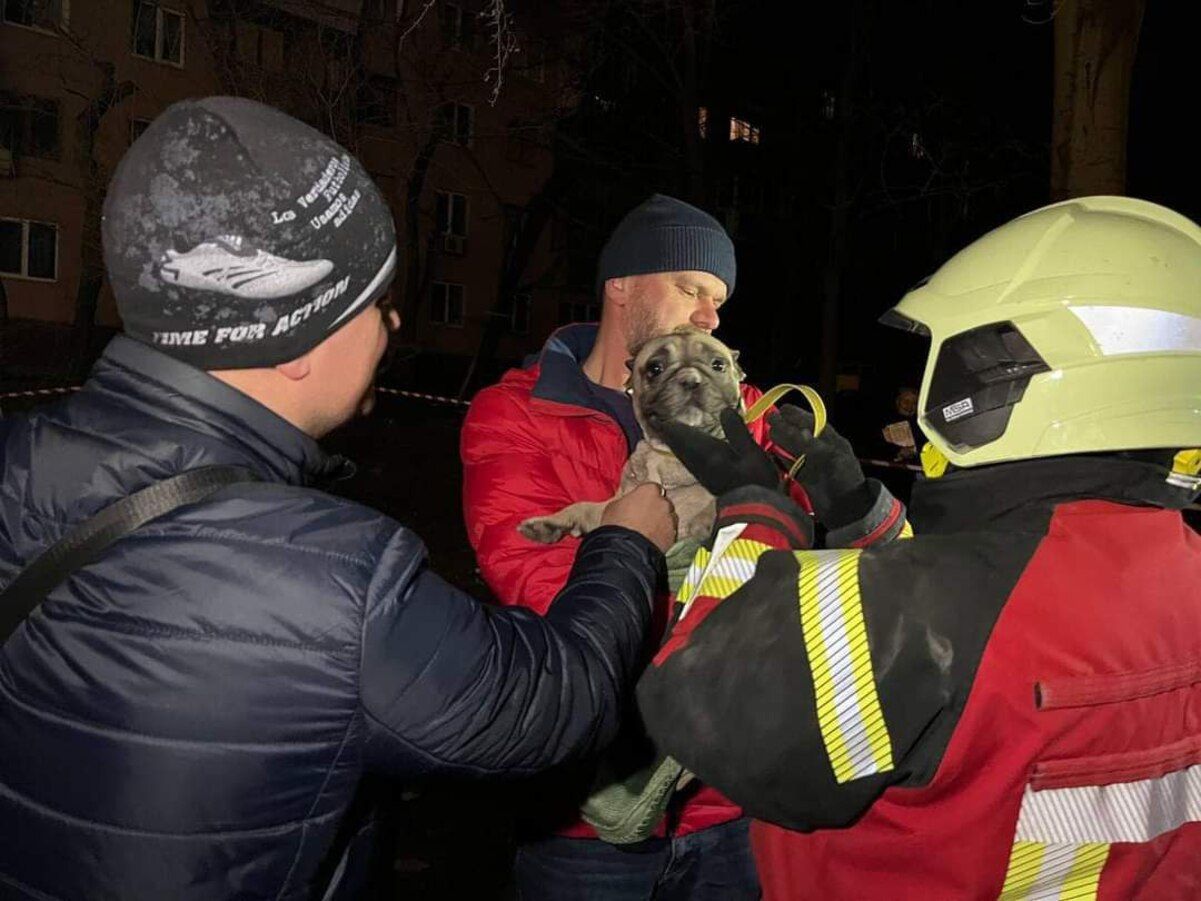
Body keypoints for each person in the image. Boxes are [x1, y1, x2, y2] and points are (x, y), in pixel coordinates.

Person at [0, 97, 676, 901]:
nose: (392, 324)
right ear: (297, 339)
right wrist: (627, 544)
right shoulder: (338, 581)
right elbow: (551, 703)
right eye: (376, 304)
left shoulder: (19, 454)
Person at [640, 195, 1201, 899]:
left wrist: (755, 514)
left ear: (1001, 373)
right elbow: (965, 612)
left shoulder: (926, 608)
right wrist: (854, 509)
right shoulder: (1177, 573)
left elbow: (698, 700)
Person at [460, 194, 902, 900]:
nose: (710, 314)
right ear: (621, 284)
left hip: (734, 807)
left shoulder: (749, 414)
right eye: (692, 288)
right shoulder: (519, 413)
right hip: (583, 825)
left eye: (718, 301)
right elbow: (547, 596)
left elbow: (856, 593)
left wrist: (855, 504)